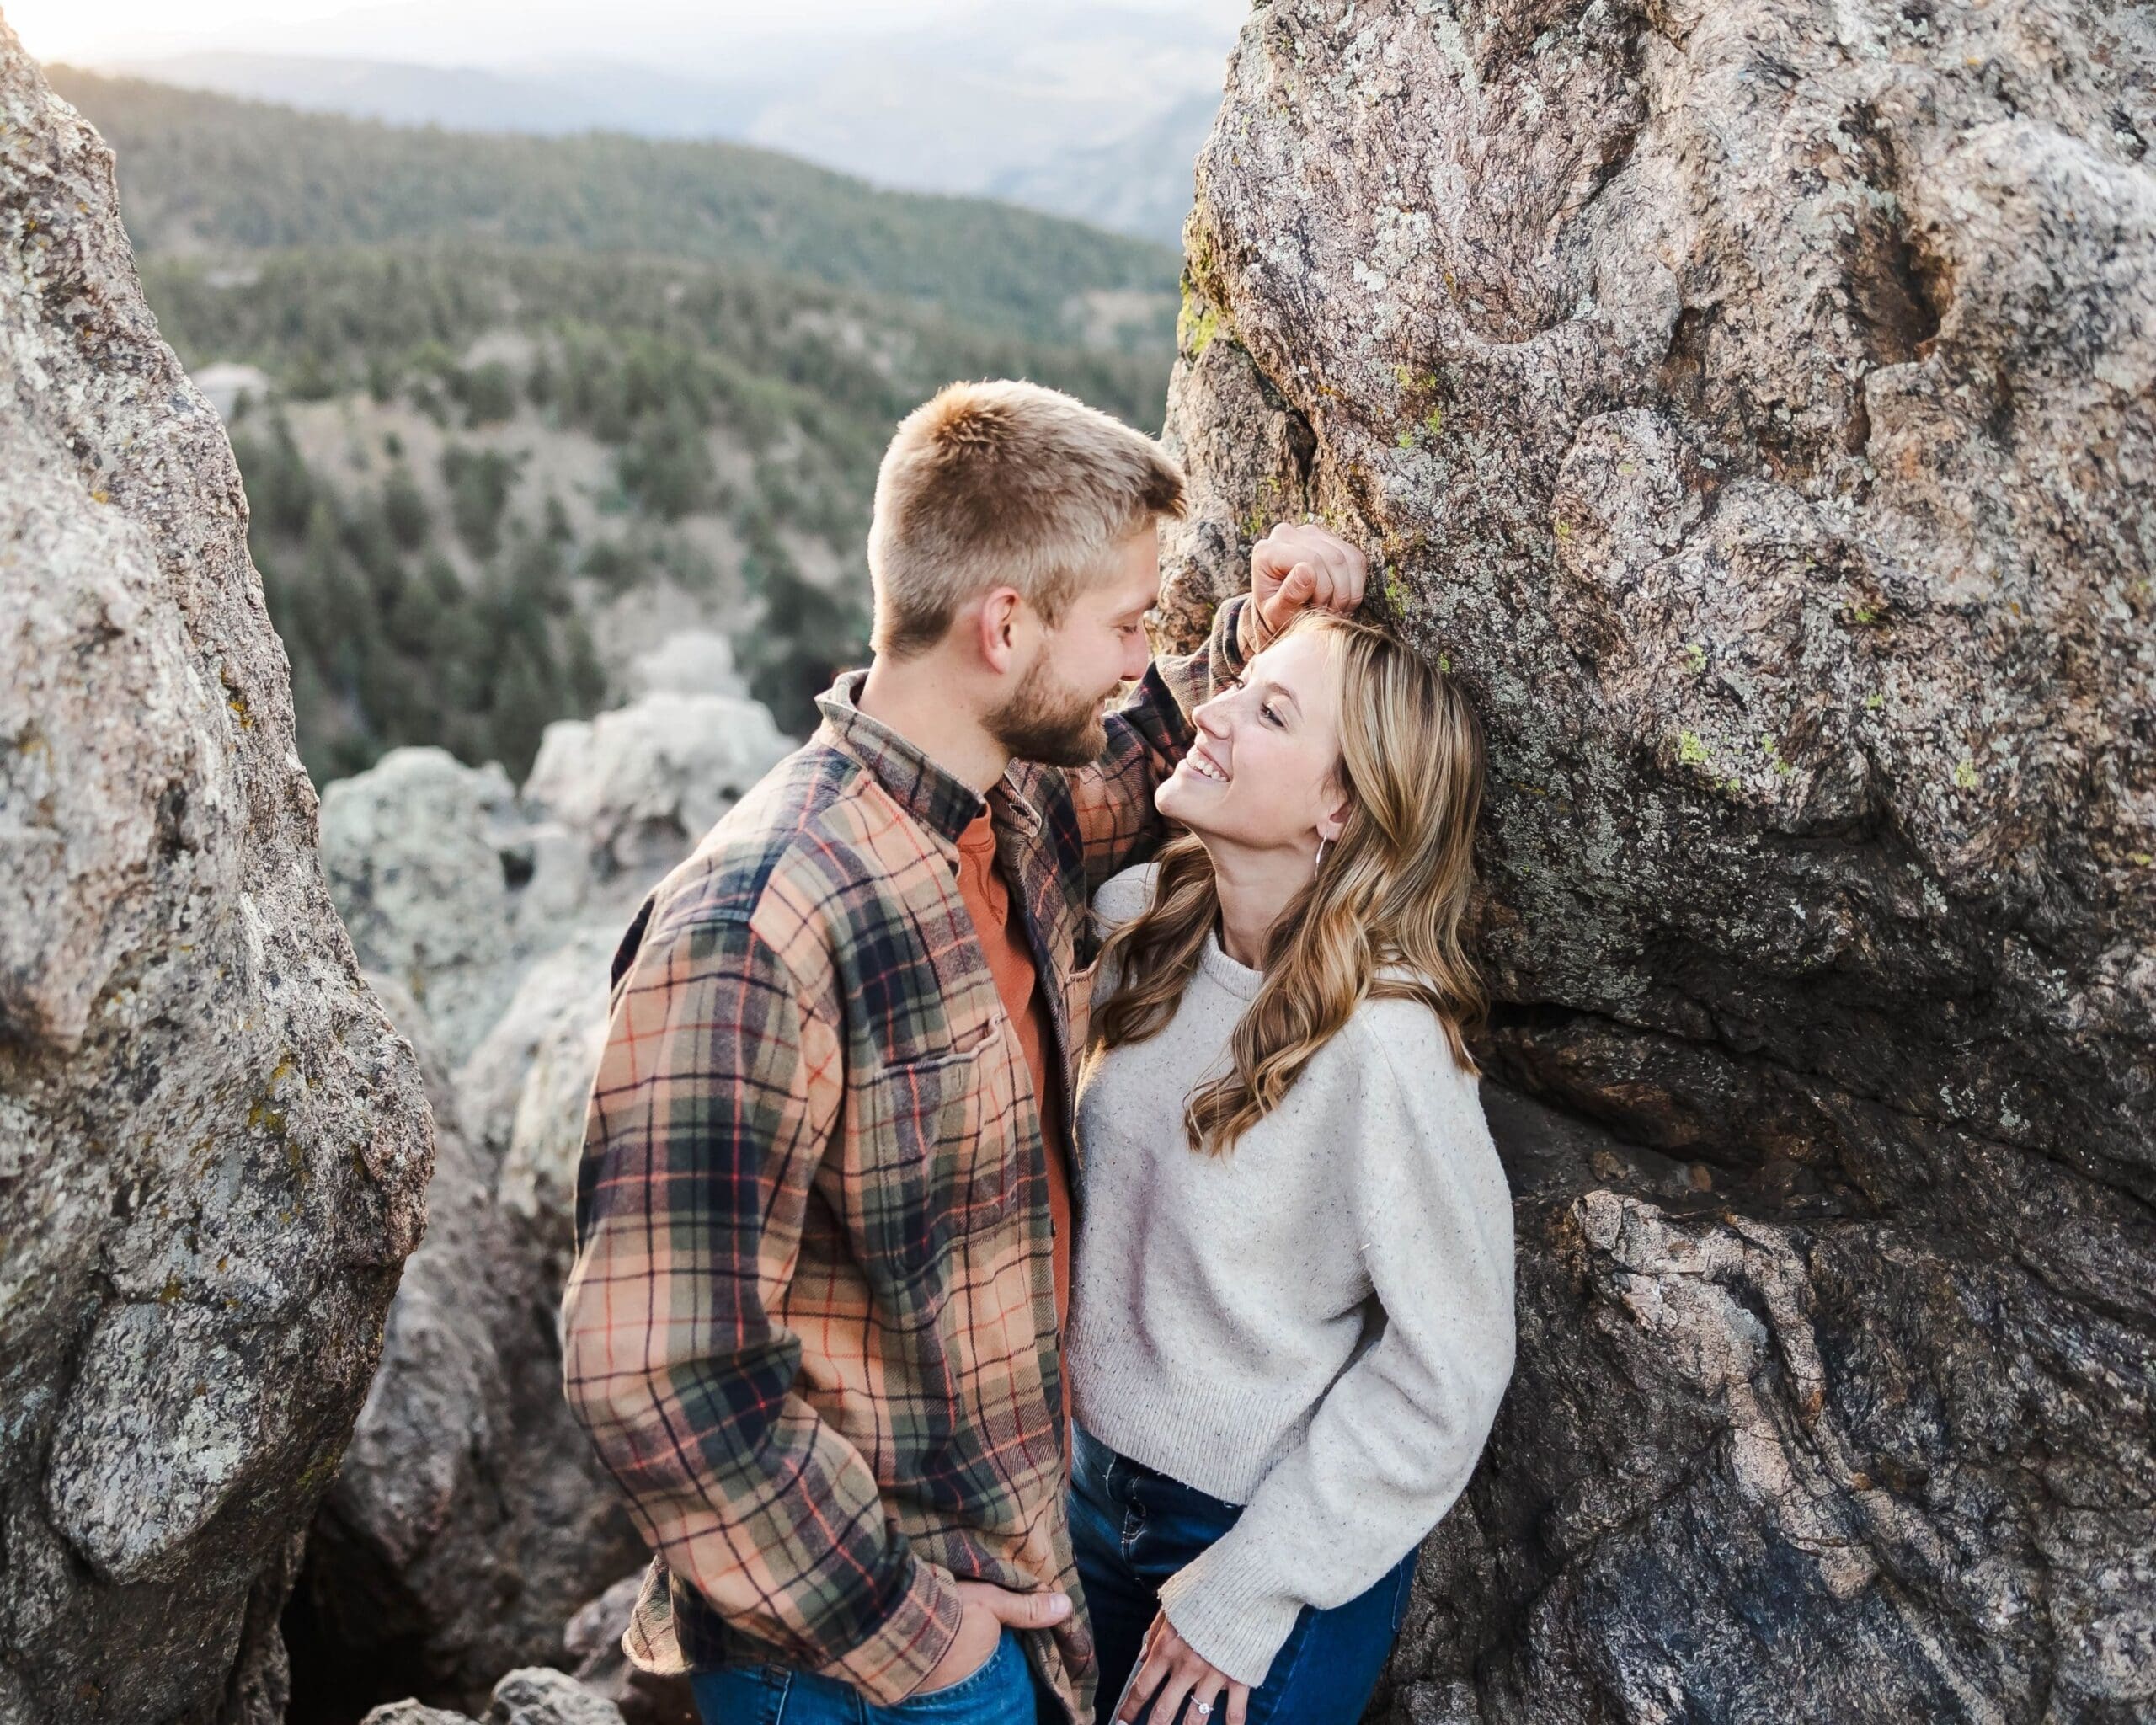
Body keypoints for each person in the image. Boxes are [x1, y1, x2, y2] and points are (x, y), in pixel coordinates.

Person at [559, 376, 1365, 1725]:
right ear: (1005, 627)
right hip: (851, 1662)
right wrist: (911, 1633)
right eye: (1122, 625)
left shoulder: (1008, 812)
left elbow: (1144, 763)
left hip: (1000, 1593)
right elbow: (652, 1365)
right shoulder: (761, 923)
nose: (1133, 659)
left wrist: (1265, 644)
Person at [1065, 607, 1515, 1725]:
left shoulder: (1386, 1048)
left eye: (1268, 711)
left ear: (1341, 807)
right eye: (1239, 684)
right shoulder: (1140, 930)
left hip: (1259, 1542)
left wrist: (1253, 1586)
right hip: (1083, 1499)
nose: (1210, 715)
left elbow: (1451, 1369)